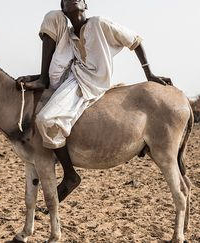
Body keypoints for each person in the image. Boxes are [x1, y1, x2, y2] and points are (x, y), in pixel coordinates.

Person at [16, 0, 172, 202]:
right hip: (71, 74)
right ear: (64, 8)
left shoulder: (99, 23)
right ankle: (43, 79)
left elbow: (135, 41)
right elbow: (61, 63)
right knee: (50, 16)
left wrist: (149, 74)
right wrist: (36, 76)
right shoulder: (69, 37)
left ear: (85, 5)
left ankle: (70, 175)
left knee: (47, 119)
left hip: (91, 81)